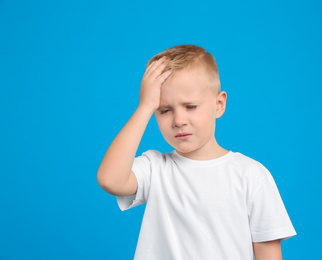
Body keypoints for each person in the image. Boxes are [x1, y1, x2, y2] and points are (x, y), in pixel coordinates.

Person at [97, 44, 296, 260]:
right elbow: (110, 179)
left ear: (219, 104)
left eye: (190, 106)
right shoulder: (155, 168)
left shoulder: (251, 175)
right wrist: (145, 106)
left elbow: (268, 253)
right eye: (164, 110)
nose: (178, 121)